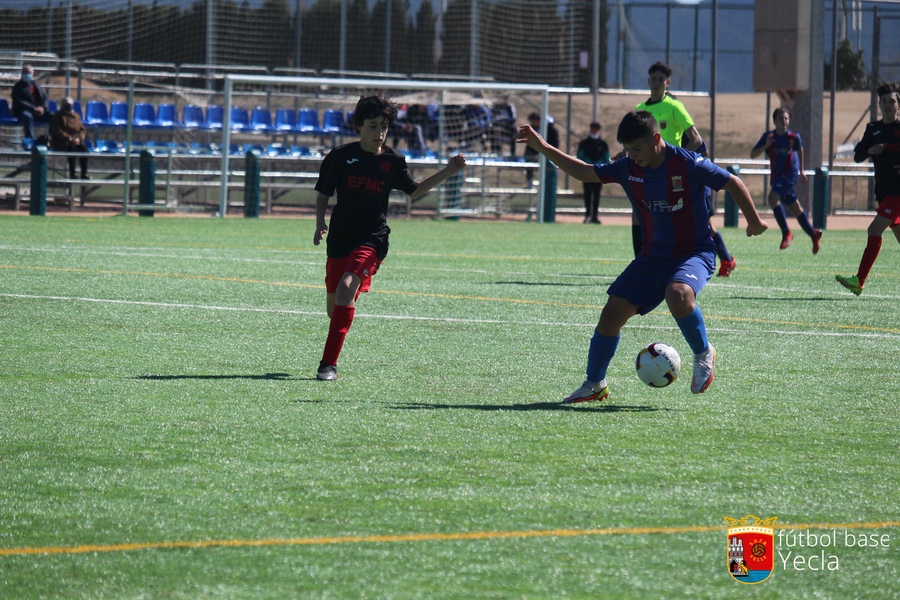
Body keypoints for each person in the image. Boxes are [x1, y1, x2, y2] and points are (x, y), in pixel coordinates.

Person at [517, 110, 768, 402]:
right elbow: (584, 171)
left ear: (656, 139)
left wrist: (754, 220)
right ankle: (595, 384)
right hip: (654, 256)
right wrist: (544, 148)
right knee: (612, 313)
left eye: (636, 149)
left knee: (678, 294)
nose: (632, 156)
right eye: (627, 150)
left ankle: (703, 353)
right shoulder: (628, 167)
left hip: (695, 251)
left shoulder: (687, 163)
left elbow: (732, 183)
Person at [313, 95, 467, 381]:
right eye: (373, 126)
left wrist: (449, 170)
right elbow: (323, 194)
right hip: (340, 239)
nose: (379, 132)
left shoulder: (392, 160)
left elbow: (416, 191)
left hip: (373, 238)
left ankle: (328, 365)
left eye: (384, 126)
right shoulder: (339, 157)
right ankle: (355, 287)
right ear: (359, 126)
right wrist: (320, 221)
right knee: (334, 309)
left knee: (346, 288)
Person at [636, 61, 737, 276]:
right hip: (649, 174)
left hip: (673, 176)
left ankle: (726, 258)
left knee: (702, 222)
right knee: (641, 215)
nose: (656, 83)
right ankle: (642, 264)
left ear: (667, 83)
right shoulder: (640, 111)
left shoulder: (674, 107)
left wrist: (679, 163)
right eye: (653, 79)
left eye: (660, 80)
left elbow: (697, 140)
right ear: (648, 81)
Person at [836, 82, 900, 296]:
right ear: (879, 105)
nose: (887, 105)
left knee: (874, 230)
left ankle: (859, 280)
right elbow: (857, 156)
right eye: (883, 101)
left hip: (897, 194)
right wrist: (871, 150)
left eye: (892, 101)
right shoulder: (873, 129)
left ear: (898, 105)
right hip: (883, 194)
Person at [750, 107, 822, 254]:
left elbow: (800, 150)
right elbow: (753, 154)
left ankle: (786, 232)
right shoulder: (769, 137)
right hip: (778, 177)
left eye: (786, 118)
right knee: (794, 207)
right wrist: (766, 146)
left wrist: (801, 170)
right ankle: (813, 233)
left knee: (772, 198)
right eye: (781, 119)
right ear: (774, 121)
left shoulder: (793, 138)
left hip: (790, 174)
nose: (784, 121)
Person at [575, 121, 610, 223]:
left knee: (596, 195)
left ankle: (595, 216)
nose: (594, 131)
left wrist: (600, 166)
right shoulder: (584, 143)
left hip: (598, 174)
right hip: (586, 173)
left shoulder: (603, 144)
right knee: (587, 195)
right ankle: (587, 216)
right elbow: (580, 156)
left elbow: (606, 158)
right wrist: (587, 165)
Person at [49, 97, 89, 180]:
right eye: (66, 104)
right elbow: (57, 130)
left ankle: (84, 174)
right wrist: (70, 138)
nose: (68, 106)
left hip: (76, 141)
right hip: (63, 142)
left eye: (70, 104)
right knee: (71, 150)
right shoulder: (58, 116)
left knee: (84, 150)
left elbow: (82, 129)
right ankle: (72, 173)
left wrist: (79, 138)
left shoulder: (76, 116)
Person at [10, 65, 48, 141]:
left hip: (38, 112)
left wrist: (42, 108)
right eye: (25, 72)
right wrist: (33, 108)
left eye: (29, 73)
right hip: (23, 111)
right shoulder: (18, 86)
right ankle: (30, 140)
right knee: (27, 117)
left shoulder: (36, 85)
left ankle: (52, 141)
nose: (27, 74)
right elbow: (18, 101)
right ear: (22, 74)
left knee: (52, 116)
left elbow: (44, 98)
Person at [524, 112, 559, 189]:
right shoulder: (533, 129)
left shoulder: (551, 130)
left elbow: (554, 143)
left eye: (534, 121)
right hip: (535, 153)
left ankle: (552, 185)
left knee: (549, 169)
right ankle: (530, 182)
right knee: (528, 160)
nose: (533, 123)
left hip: (548, 154)